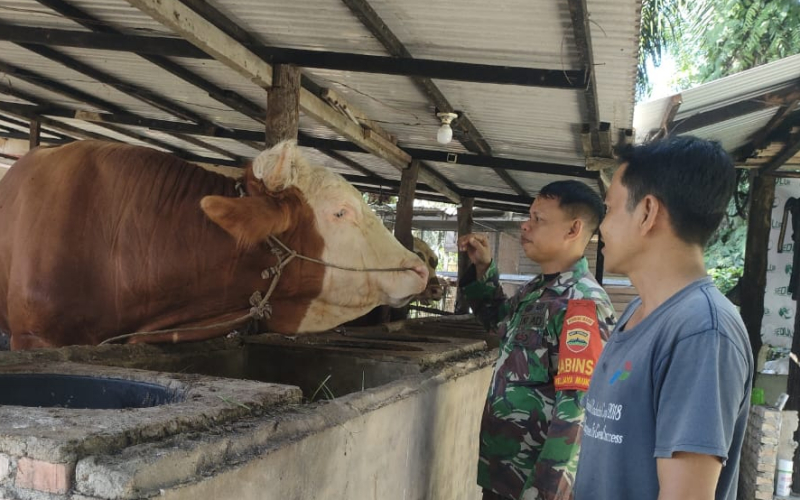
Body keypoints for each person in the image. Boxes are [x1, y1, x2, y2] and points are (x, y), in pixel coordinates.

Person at [572, 136, 754, 500]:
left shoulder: (702, 331)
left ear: (648, 212)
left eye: (609, 209)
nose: (601, 227)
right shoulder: (639, 313)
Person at [459, 180, 616, 500]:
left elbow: (578, 411)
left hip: (533, 485)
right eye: (529, 216)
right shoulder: (537, 291)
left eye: (539, 220)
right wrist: (483, 268)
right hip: (504, 474)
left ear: (574, 229)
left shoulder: (581, 305)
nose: (525, 224)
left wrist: (543, 493)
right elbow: (497, 320)